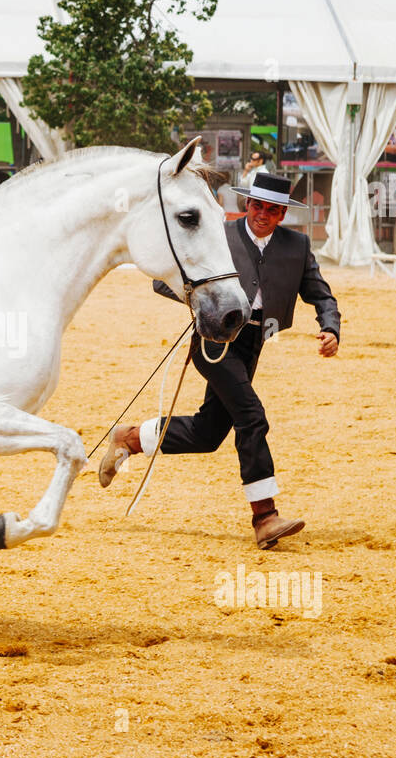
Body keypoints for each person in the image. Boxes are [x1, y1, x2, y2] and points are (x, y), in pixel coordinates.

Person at [98, 173, 341, 550]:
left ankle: (131, 438)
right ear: (248, 205)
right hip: (216, 342)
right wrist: (204, 303)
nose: (263, 213)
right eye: (257, 205)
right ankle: (265, 516)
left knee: (207, 433)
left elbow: (320, 294)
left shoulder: (297, 246)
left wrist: (331, 328)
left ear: (282, 214)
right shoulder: (220, 235)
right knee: (252, 416)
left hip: (254, 344)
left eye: (273, 209)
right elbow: (165, 280)